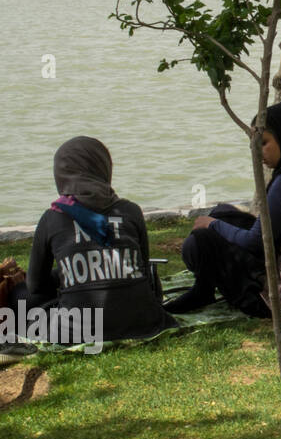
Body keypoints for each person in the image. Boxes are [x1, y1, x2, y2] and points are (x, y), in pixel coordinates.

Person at [169, 100, 281, 323]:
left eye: (264, 143)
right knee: (223, 212)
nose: (258, 151)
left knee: (204, 237)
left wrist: (212, 225)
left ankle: (202, 291)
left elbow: (256, 241)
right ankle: (204, 284)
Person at [16, 137, 176, 342]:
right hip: (143, 321)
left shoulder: (52, 217)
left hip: (77, 331)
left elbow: (35, 285)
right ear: (103, 167)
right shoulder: (131, 210)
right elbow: (142, 268)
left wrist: (70, 278)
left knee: (20, 295)